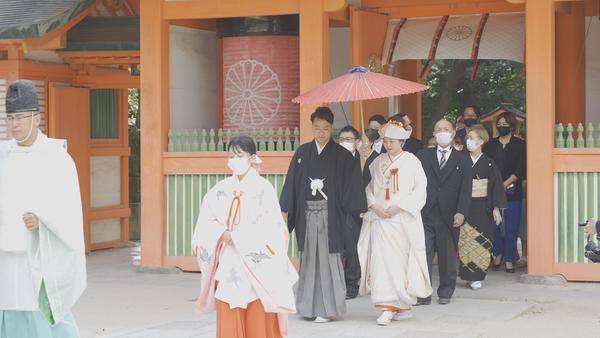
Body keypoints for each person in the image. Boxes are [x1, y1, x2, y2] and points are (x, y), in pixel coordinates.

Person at [0, 80, 86, 338]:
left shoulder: (56, 157)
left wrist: (43, 220)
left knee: (40, 312)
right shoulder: (2, 155)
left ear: (37, 118)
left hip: (38, 253)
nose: (15, 124)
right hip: (4, 254)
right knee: (7, 308)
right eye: (10, 118)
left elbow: (69, 208)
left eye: (21, 118)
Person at [192, 135, 298, 338]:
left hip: (256, 262)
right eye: (231, 155)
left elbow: (273, 227)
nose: (234, 159)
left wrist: (238, 236)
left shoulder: (264, 188)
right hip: (230, 260)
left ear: (252, 157)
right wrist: (222, 234)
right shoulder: (220, 190)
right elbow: (206, 222)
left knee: (257, 309)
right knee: (229, 302)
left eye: (239, 155)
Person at [280, 107, 367, 323]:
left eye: (325, 129)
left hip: (331, 216)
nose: (320, 133)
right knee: (309, 260)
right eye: (317, 128)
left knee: (329, 260)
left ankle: (328, 308)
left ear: (332, 129)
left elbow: (353, 185)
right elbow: (291, 184)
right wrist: (285, 213)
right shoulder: (302, 153)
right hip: (307, 215)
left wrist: (362, 160)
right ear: (312, 128)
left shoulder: (343, 156)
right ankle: (308, 307)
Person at [358, 120, 432, 326]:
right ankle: (387, 305)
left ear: (402, 141)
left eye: (392, 141)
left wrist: (400, 207)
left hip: (402, 219)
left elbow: (421, 190)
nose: (388, 145)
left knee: (401, 262)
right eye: (386, 141)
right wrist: (374, 205)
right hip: (381, 219)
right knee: (381, 262)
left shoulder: (412, 161)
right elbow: (367, 187)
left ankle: (402, 304)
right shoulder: (377, 161)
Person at [416, 119, 472, 305]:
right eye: (438, 129)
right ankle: (422, 293)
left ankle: (446, 292)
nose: (442, 132)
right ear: (433, 134)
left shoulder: (463, 159)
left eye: (446, 129)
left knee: (447, 255)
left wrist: (461, 211)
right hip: (425, 212)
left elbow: (466, 189)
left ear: (453, 133)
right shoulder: (423, 155)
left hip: (449, 214)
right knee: (422, 253)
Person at [458, 125, 507, 290]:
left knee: (481, 240)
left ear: (481, 141)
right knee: (465, 240)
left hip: (482, 206)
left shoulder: (489, 163)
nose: (468, 141)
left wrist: (496, 208)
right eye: (468, 138)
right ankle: (467, 274)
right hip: (464, 206)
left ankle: (477, 275)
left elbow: (495, 187)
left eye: (472, 138)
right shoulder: (462, 161)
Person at [483, 112, 526, 273]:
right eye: (499, 123)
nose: (502, 126)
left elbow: (520, 169)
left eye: (505, 123)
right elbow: (486, 167)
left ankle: (509, 259)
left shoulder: (520, 145)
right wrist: (497, 186)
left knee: (511, 227)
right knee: (494, 226)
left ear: (512, 126)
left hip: (513, 191)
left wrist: (505, 184)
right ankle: (497, 255)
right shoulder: (490, 145)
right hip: (493, 191)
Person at [337, 125, 363, 299]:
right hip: (338, 209)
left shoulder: (365, 159)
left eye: (349, 140)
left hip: (357, 210)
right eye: (342, 140)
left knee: (354, 249)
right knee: (338, 248)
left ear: (357, 142)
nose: (345, 143)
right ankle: (337, 283)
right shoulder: (334, 160)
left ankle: (352, 285)